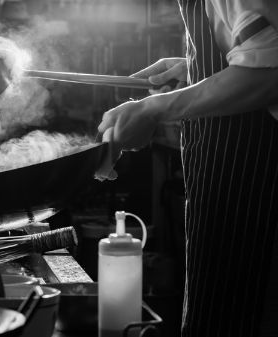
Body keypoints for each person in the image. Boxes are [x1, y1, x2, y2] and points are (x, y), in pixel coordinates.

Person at [96, 0, 278, 336]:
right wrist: (193, 69)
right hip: (226, 183)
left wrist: (154, 109)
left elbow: (269, 72)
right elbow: (256, 49)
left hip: (259, 185)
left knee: (242, 315)